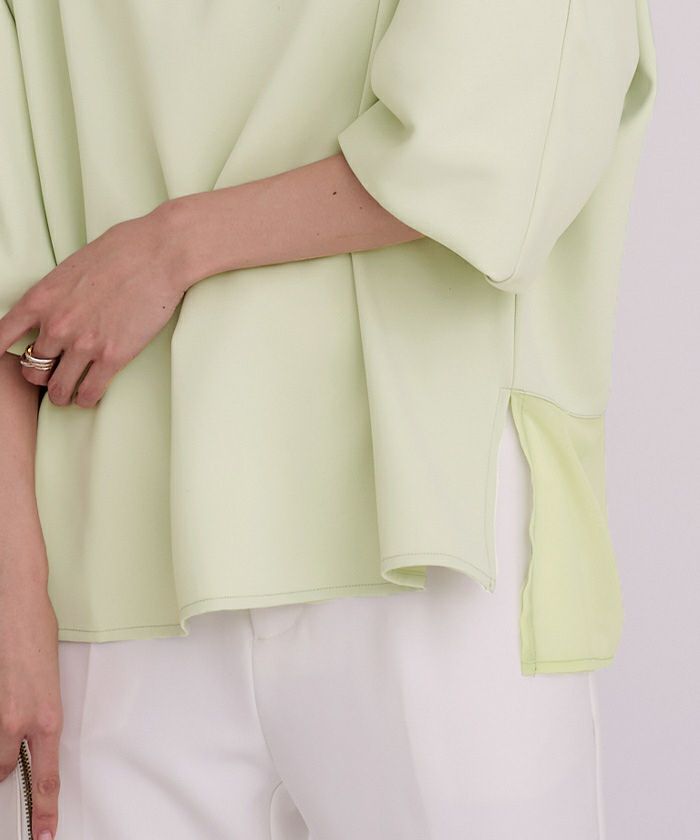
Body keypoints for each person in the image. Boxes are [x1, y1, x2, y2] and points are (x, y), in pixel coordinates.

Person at [0, 1, 656, 838]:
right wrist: (12, 595)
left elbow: (495, 139)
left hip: (434, 540)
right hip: (105, 580)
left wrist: (170, 248)